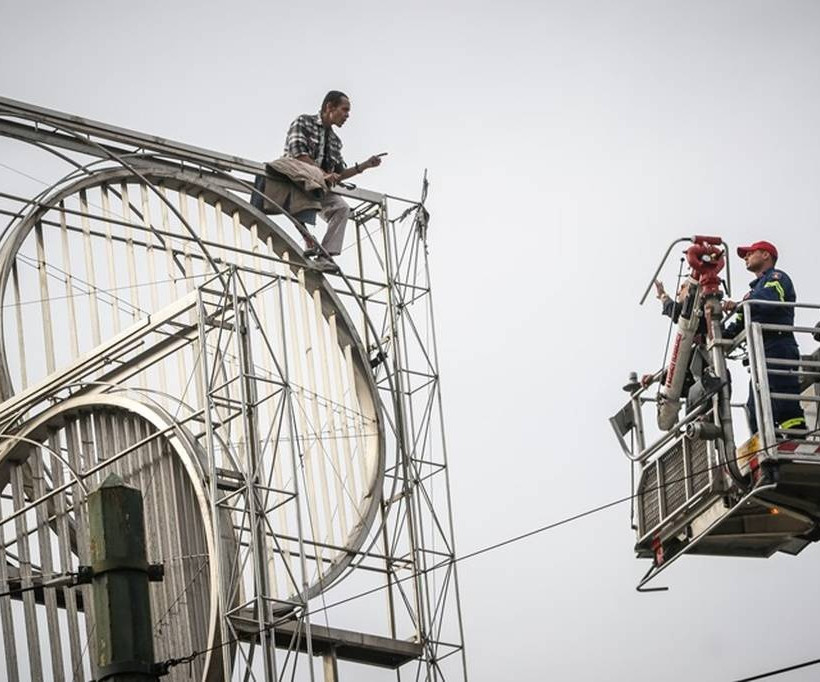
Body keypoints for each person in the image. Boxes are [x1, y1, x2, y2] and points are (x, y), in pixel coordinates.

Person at [283, 90, 384, 270]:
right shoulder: (303, 122)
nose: (347, 116)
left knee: (341, 208)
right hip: (296, 179)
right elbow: (298, 155)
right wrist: (323, 174)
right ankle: (307, 236)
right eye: (344, 110)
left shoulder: (335, 141)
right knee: (303, 192)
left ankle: (325, 256)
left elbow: (339, 174)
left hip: (318, 186)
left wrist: (364, 166)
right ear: (330, 107)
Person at [723, 240, 806, 435]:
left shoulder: (777, 278)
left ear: (766, 255)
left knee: (784, 401)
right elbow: (737, 326)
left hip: (779, 347)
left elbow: (769, 301)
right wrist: (715, 330)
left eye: (750, 253)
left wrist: (738, 305)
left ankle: (796, 439)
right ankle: (768, 444)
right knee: (756, 409)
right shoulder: (751, 294)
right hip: (760, 352)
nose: (746, 257)